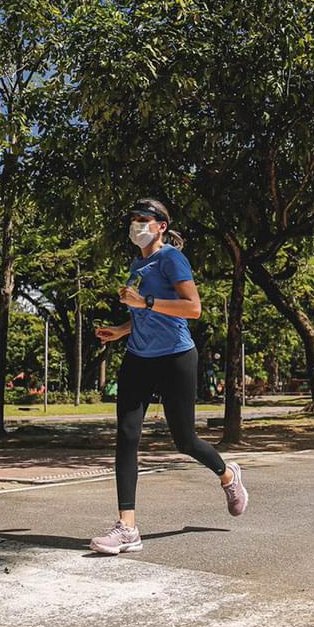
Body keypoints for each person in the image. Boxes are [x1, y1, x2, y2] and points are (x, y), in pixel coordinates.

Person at [90, 199, 247, 555]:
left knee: (185, 440)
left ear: (161, 225)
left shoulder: (171, 258)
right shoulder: (137, 263)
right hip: (138, 358)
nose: (136, 225)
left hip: (176, 357)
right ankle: (127, 528)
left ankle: (227, 475)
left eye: (143, 219)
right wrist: (121, 329)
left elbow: (193, 308)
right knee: (127, 435)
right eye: (133, 220)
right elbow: (145, 315)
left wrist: (143, 301)